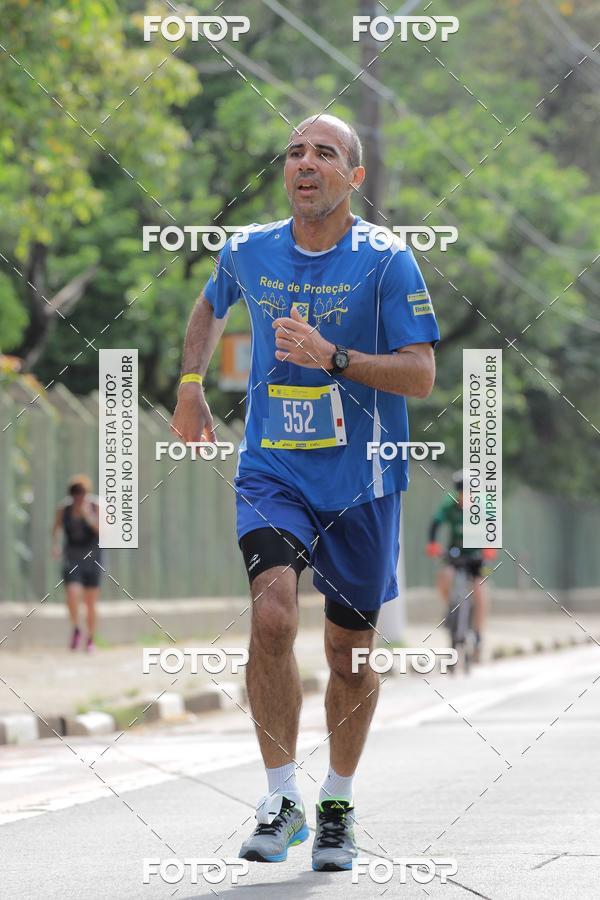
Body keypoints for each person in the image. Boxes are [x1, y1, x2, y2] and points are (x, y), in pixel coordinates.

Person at [171, 114, 440, 871]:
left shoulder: (388, 263)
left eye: (325, 153)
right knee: (272, 614)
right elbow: (207, 304)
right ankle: (280, 796)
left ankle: (337, 804)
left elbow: (420, 373)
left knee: (349, 653)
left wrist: (335, 357)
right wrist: (191, 385)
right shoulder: (249, 250)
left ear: (355, 178)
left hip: (363, 479)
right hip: (274, 470)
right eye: (294, 151)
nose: (305, 163)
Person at [425, 470, 496, 660]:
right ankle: (451, 606)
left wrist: (489, 547)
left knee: (479, 589)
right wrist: (432, 544)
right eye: (463, 491)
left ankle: (479, 633)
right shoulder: (450, 504)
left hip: (476, 555)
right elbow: (436, 522)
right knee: (444, 577)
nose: (466, 496)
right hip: (454, 553)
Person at [52, 474, 102, 652]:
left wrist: (87, 516)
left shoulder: (96, 506)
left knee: (90, 602)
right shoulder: (64, 509)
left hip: (93, 558)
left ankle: (90, 638)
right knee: (72, 594)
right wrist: (56, 546)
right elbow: (56, 528)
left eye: (81, 493)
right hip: (72, 557)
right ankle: (76, 628)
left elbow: (103, 531)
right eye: (74, 493)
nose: (78, 497)